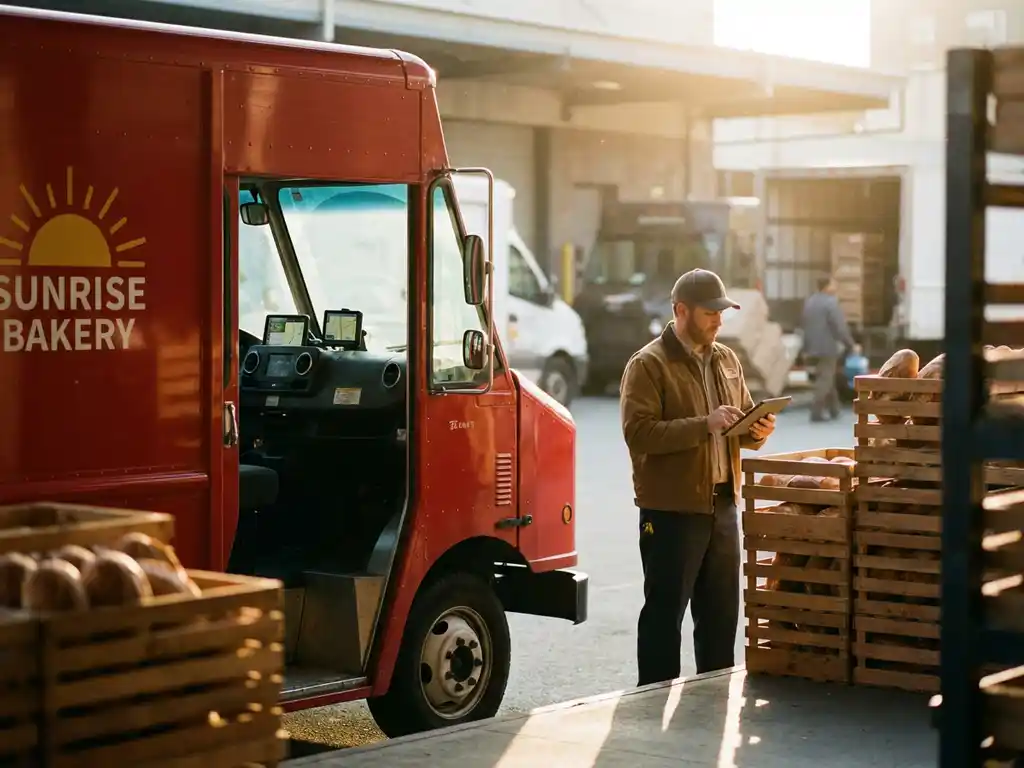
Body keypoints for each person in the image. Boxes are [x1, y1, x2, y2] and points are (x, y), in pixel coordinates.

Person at [619, 268, 776, 687]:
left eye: (721, 312)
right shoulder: (648, 364)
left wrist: (757, 430)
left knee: (721, 616)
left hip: (723, 505)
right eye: (710, 313)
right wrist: (704, 424)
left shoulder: (727, 359)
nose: (718, 321)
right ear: (681, 311)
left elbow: (738, 423)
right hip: (671, 510)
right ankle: (653, 699)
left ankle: (715, 695)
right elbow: (639, 434)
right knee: (664, 615)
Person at [801, 276, 856, 422]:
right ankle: (816, 412)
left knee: (828, 377)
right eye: (833, 284)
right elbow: (839, 327)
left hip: (812, 346)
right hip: (827, 347)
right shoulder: (831, 303)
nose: (835, 287)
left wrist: (805, 348)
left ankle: (834, 410)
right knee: (825, 379)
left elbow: (804, 325)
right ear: (827, 286)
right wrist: (851, 344)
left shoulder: (810, 302)